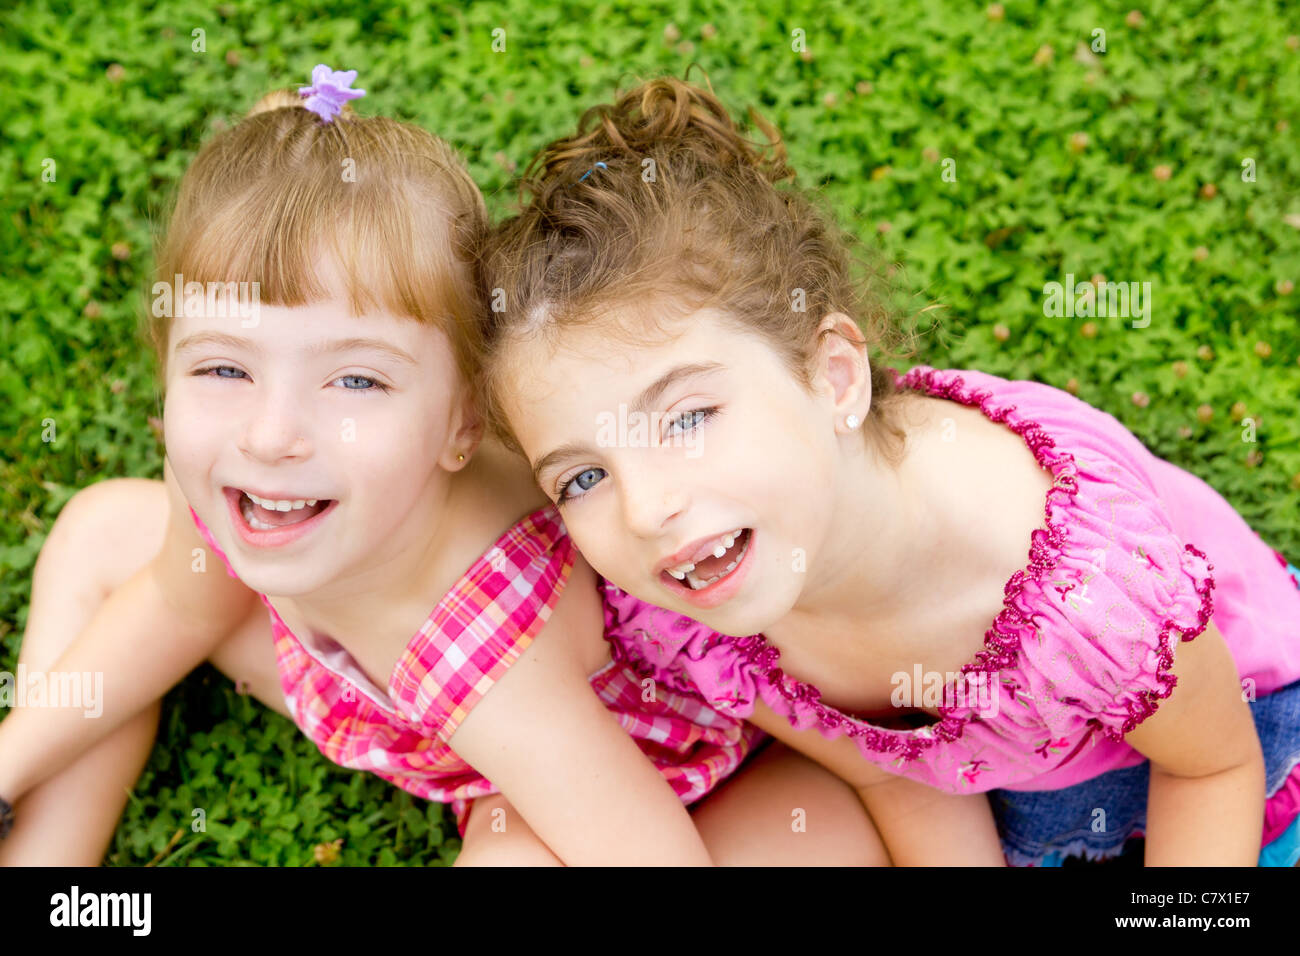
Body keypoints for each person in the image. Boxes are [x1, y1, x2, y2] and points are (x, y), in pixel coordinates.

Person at [0, 68, 891, 867]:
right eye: (223, 367)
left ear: (463, 422)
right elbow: (176, 604)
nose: (270, 436)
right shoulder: (238, 474)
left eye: (356, 378)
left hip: (656, 782)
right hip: (415, 708)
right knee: (95, 535)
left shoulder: (484, 654)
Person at [477, 75, 1300, 866]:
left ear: (834, 376)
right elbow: (886, 765)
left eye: (687, 419)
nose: (647, 508)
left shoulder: (1084, 597)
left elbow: (1212, 767)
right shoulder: (707, 598)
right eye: (582, 477)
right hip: (1012, 789)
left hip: (1222, 760)